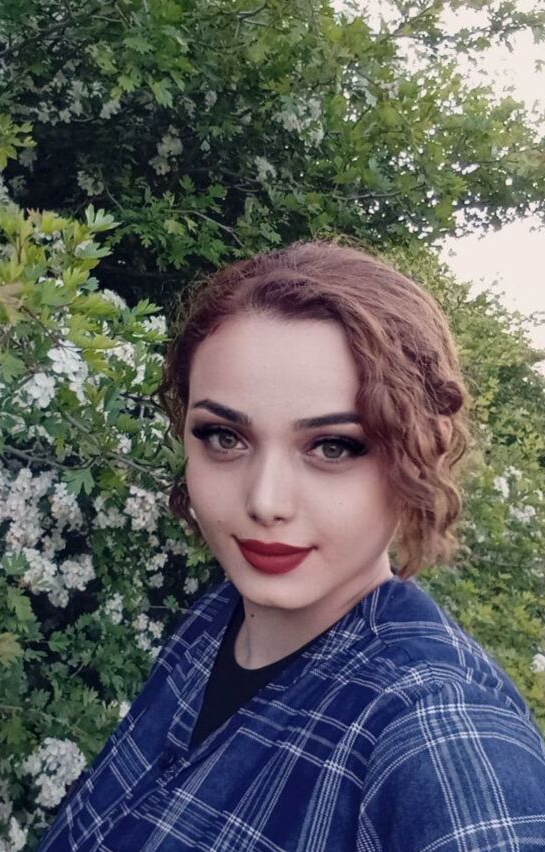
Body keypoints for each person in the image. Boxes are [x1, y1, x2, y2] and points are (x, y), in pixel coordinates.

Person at [37, 240, 545, 851]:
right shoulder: (221, 617)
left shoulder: (437, 727)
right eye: (224, 437)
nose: (265, 501)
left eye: (333, 446)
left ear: (420, 453)